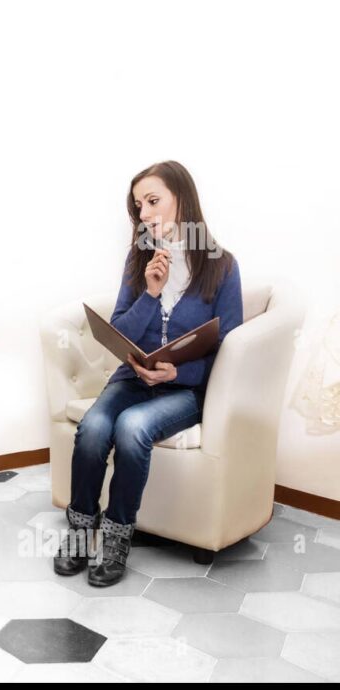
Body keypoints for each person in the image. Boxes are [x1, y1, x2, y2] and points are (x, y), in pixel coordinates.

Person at [54, 160, 244, 587]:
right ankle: (81, 530)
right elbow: (119, 330)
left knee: (132, 427)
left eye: (153, 201)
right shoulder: (138, 259)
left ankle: (117, 537)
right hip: (131, 379)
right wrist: (151, 293)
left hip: (185, 389)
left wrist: (179, 371)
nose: (144, 213)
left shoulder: (222, 267)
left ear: (182, 198)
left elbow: (229, 351)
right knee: (94, 428)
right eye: (139, 206)